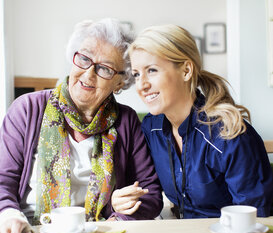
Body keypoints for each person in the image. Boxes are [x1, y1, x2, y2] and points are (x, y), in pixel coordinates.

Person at [0, 18, 163, 233]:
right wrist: (8, 217)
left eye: (104, 68)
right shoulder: (27, 108)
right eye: (84, 59)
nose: (88, 74)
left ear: (120, 82)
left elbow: (150, 193)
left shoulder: (126, 121)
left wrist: (118, 218)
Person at [113, 24, 273, 219]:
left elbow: (254, 220)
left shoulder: (230, 136)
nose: (142, 85)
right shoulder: (150, 128)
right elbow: (143, 187)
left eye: (152, 70)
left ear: (186, 70)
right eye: (137, 74)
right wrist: (119, 199)